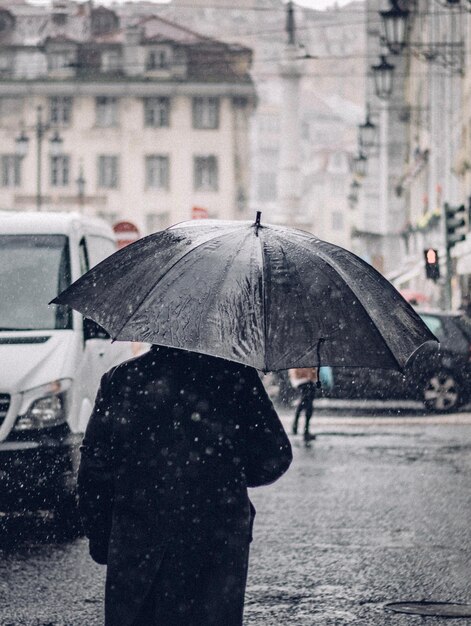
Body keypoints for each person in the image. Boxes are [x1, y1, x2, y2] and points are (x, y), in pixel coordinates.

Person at [78, 345, 292, 626]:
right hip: (216, 542)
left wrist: (102, 534)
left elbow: (95, 468)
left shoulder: (122, 379)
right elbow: (275, 456)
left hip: (138, 543)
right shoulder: (234, 378)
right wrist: (227, 471)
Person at [289, 367, 318, 442]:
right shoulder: (306, 358)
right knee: (307, 403)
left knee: (306, 403)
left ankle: (298, 427)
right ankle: (305, 430)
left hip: (306, 381)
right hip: (305, 381)